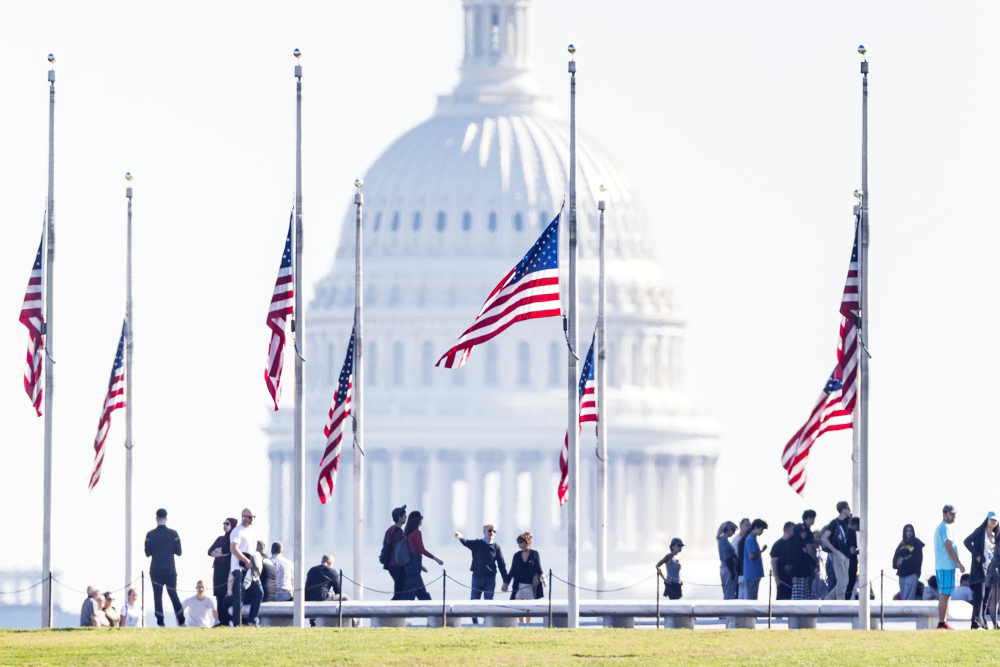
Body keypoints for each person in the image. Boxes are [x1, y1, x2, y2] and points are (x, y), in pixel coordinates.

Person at [455, 524, 510, 623]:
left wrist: (505, 582)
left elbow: (502, 565)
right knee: (474, 602)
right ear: (484, 532)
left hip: (490, 579)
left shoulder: (496, 547)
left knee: (488, 603)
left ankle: (487, 623)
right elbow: (466, 542)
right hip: (477, 578)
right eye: (489, 530)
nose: (491, 533)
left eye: (494, 531)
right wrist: (460, 537)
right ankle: (475, 623)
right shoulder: (477, 543)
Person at [144, 508, 185, 627]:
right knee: (173, 594)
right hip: (170, 569)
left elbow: (147, 553)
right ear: (166, 519)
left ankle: (160, 622)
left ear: (156, 519)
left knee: (157, 596)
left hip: (156, 569)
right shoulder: (173, 533)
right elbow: (179, 552)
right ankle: (181, 619)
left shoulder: (150, 534)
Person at [227, 507, 263, 626]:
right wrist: (245, 560)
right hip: (239, 569)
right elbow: (233, 548)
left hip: (251, 568)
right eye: (249, 517)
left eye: (253, 517)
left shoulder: (252, 532)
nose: (252, 519)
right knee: (239, 597)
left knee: (259, 592)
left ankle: (252, 621)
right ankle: (238, 624)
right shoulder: (237, 531)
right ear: (243, 517)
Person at [964, 510, 998, 629]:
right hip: (980, 570)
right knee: (980, 596)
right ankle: (975, 622)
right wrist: (976, 555)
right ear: (987, 520)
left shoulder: (997, 535)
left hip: (992, 570)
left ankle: (982, 621)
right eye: (991, 519)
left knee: (986, 598)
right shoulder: (980, 532)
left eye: (995, 520)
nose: (993, 522)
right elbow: (967, 541)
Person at [501, 531, 545, 623]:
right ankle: (522, 623)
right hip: (519, 584)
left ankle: (528, 624)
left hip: (531, 585)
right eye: (518, 542)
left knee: (529, 606)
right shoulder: (516, 555)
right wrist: (506, 583)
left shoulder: (534, 554)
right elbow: (512, 571)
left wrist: (543, 578)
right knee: (520, 605)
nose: (519, 544)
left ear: (527, 542)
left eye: (521, 542)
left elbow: (538, 567)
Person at [934, 504, 966, 629]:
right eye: (951, 514)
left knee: (946, 594)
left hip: (943, 566)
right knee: (945, 594)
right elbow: (948, 545)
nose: (954, 516)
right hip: (946, 566)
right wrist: (958, 562)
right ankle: (942, 623)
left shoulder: (943, 527)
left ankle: (943, 622)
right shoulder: (945, 527)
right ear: (945, 514)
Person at [401, 510, 443, 601]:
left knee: (423, 595)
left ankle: (432, 612)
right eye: (421, 517)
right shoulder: (417, 533)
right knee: (408, 597)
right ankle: (399, 614)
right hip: (413, 569)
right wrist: (436, 559)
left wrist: (420, 566)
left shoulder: (409, 533)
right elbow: (421, 550)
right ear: (418, 520)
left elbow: (412, 552)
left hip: (412, 567)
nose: (422, 519)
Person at [820, 501, 852, 601]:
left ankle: (827, 601)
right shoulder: (835, 523)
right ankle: (840, 605)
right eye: (848, 508)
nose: (849, 510)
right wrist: (836, 552)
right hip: (837, 554)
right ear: (843, 509)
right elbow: (824, 538)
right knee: (842, 582)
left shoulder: (848, 522)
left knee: (844, 582)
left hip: (847, 554)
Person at [208, 517, 237, 615]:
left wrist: (218, 551)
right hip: (218, 571)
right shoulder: (220, 538)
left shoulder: (234, 539)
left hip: (227, 571)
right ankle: (221, 620)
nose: (225, 525)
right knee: (218, 596)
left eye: (227, 524)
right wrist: (222, 552)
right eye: (224, 523)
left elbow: (227, 550)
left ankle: (227, 620)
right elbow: (210, 552)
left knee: (227, 595)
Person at [893, 524, 924, 600]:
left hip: (912, 573)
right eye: (907, 531)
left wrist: (903, 563)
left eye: (911, 531)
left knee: (908, 597)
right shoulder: (901, 544)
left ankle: (908, 612)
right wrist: (897, 564)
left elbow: (918, 559)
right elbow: (895, 559)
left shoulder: (916, 543)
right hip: (902, 573)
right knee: (903, 596)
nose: (909, 533)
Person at [382, 506, 408, 600]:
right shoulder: (400, 534)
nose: (406, 517)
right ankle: (390, 612)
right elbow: (402, 552)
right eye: (404, 515)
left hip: (389, 565)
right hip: (398, 566)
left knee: (399, 590)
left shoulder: (389, 531)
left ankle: (395, 612)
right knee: (399, 592)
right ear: (400, 518)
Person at [740, 519, 768, 600]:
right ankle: (750, 612)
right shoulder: (750, 539)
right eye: (761, 529)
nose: (762, 532)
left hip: (753, 573)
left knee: (753, 595)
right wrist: (761, 551)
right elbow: (751, 556)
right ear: (756, 527)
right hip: (752, 573)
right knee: (752, 596)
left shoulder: (752, 539)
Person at [790, 523, 817, 600]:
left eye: (805, 532)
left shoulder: (803, 542)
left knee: (805, 596)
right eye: (802, 532)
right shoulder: (795, 543)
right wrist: (794, 575)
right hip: (798, 575)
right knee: (798, 598)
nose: (804, 534)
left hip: (805, 574)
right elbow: (793, 560)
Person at [770, 522, 795, 600]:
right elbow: (774, 562)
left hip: (792, 579)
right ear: (787, 530)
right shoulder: (777, 545)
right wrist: (777, 579)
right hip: (782, 579)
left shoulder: (793, 543)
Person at [717, 521, 738, 599]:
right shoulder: (723, 542)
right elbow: (727, 558)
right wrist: (732, 572)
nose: (733, 532)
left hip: (727, 568)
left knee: (729, 591)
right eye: (732, 530)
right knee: (729, 592)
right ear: (727, 530)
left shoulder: (724, 541)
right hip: (728, 568)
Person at [732, 518, 750, 598]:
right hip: (739, 571)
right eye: (746, 525)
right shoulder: (737, 540)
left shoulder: (747, 539)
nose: (748, 528)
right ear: (741, 526)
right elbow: (735, 556)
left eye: (750, 526)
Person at [845, 517, 860, 600]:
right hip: (851, 562)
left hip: (846, 562)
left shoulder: (846, 532)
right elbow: (852, 551)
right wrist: (861, 551)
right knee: (850, 583)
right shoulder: (851, 533)